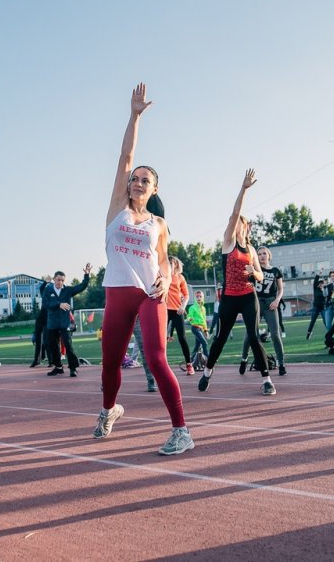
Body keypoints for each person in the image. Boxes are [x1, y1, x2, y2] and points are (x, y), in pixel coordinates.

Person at [94, 83, 192, 455]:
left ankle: (181, 430)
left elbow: (165, 258)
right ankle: (108, 410)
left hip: (150, 294)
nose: (136, 182)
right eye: (134, 178)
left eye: (143, 180)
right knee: (110, 365)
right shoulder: (117, 209)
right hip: (117, 292)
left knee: (155, 357)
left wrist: (166, 276)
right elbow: (125, 156)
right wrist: (134, 116)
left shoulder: (158, 224)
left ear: (155, 188)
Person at [198, 169, 276, 396]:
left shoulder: (251, 249)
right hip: (230, 298)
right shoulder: (228, 242)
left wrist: (255, 271)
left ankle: (267, 379)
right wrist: (244, 189)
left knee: (253, 336)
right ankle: (208, 371)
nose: (240, 223)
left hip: (248, 296)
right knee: (220, 338)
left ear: (247, 227)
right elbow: (234, 213)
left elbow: (261, 276)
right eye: (238, 221)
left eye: (243, 222)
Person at [243, 246, 287, 375]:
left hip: (270, 302)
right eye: (259, 254)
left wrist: (277, 300)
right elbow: (247, 284)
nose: (262, 256)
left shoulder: (275, 270)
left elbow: (280, 289)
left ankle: (281, 362)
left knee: (275, 334)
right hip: (256, 302)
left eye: (264, 253)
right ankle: (244, 358)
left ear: (269, 255)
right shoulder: (255, 269)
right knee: (250, 334)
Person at [43, 265, 91, 377]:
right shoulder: (47, 290)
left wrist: (87, 275)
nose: (60, 282)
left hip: (65, 323)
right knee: (53, 346)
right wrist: (58, 304)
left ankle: (73, 368)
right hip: (52, 323)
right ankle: (58, 367)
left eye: (62, 280)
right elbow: (46, 304)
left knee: (68, 345)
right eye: (58, 280)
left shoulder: (68, 290)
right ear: (54, 279)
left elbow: (82, 286)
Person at [165, 257, 194, 375]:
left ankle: (189, 365)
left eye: (171, 263)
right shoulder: (162, 275)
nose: (170, 265)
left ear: (176, 265)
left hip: (177, 311)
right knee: (161, 340)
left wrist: (183, 306)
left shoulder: (180, 277)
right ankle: (162, 366)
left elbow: (186, 295)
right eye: (168, 263)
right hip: (164, 310)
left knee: (182, 338)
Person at [29, 278, 52, 367]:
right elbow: (41, 288)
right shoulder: (45, 295)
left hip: (48, 321)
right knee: (38, 341)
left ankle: (51, 361)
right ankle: (36, 360)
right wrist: (45, 282)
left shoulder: (55, 298)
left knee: (46, 342)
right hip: (39, 320)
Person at [186, 290, 210, 363]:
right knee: (204, 343)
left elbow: (204, 320)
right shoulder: (192, 308)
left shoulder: (203, 308)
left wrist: (206, 331)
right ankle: (208, 358)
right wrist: (190, 318)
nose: (199, 298)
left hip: (200, 329)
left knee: (197, 346)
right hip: (195, 328)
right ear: (195, 298)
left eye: (200, 296)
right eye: (197, 297)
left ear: (203, 298)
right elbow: (189, 315)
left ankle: (190, 360)